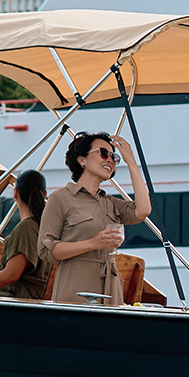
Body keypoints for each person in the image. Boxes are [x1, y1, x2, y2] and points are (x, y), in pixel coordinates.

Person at [38, 130, 153, 305]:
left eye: (115, 158)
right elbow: (46, 251)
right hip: (75, 289)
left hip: (111, 291)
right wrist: (92, 243)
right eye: (103, 153)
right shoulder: (60, 198)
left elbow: (143, 210)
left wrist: (130, 161)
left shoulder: (111, 203)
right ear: (81, 159)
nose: (110, 160)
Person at [0, 170, 50, 300]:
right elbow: (23, 249)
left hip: (16, 300)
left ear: (16, 193)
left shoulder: (26, 227)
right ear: (44, 194)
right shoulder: (45, 226)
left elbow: (11, 275)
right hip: (33, 299)